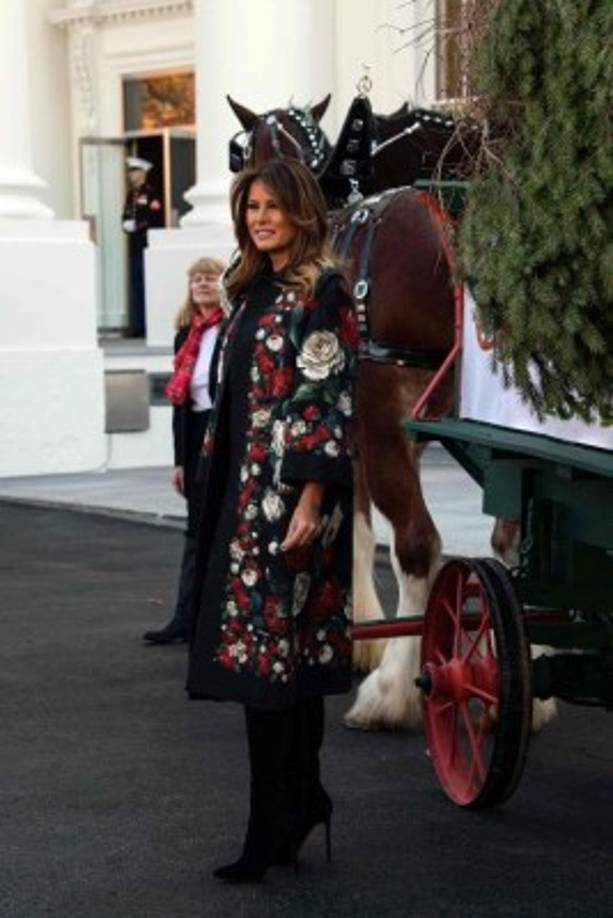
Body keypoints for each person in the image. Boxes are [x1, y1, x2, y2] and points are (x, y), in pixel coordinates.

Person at [186, 158, 358, 884]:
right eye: (251, 206)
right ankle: (301, 802)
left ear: (300, 212)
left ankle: (268, 830)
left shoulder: (323, 291)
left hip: (290, 505)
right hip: (244, 500)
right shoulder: (249, 286)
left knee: (272, 667)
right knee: (282, 662)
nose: (259, 218)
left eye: (272, 207)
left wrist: (312, 502)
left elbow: (323, 393)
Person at [143, 257, 226, 645]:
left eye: (210, 277)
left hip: (222, 435)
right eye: (196, 279)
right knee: (195, 531)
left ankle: (217, 619)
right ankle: (185, 617)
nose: (202, 284)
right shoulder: (186, 335)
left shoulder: (230, 329)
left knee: (223, 529)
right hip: (194, 439)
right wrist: (179, 461)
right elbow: (180, 407)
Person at [122, 157, 163, 338]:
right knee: (137, 288)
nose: (131, 175)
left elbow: (155, 219)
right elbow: (125, 216)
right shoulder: (131, 195)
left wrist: (137, 226)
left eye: (135, 171)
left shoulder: (151, 194)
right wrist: (125, 224)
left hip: (147, 246)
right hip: (134, 248)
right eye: (130, 171)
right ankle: (138, 326)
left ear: (143, 173)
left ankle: (148, 326)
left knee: (147, 287)